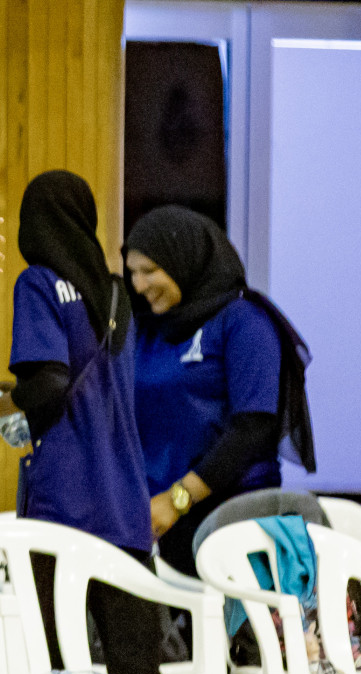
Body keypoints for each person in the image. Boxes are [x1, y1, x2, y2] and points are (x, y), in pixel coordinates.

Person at [0, 170, 213, 674]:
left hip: (61, 511)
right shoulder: (115, 294)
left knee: (41, 671)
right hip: (124, 507)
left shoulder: (39, 282)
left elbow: (44, 386)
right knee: (140, 672)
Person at [124, 204, 316, 577]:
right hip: (157, 524)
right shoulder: (146, 330)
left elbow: (253, 428)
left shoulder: (244, 320)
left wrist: (177, 499)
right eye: (132, 272)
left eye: (150, 271)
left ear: (186, 262)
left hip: (232, 521)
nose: (139, 285)